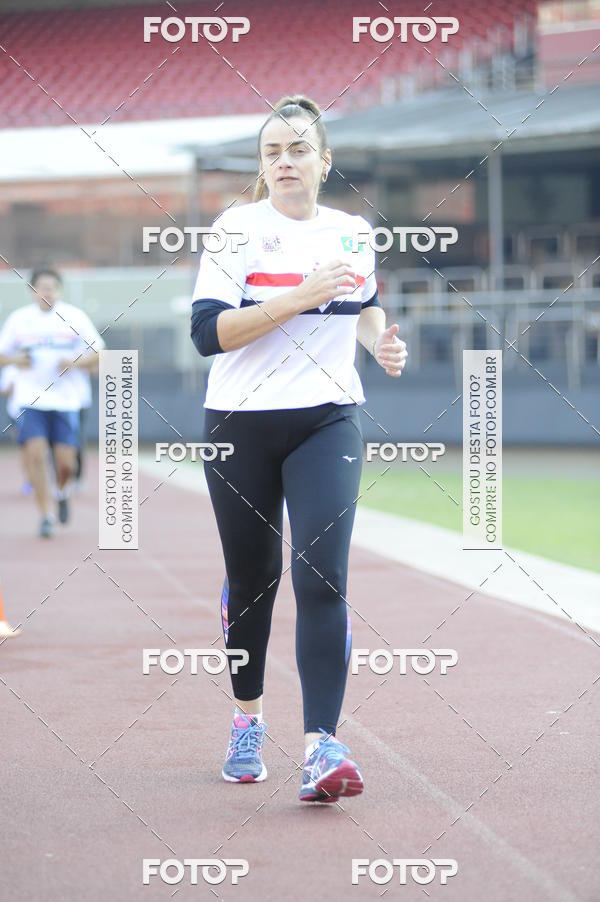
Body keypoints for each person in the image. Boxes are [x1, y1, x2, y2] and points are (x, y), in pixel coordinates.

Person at [191, 95, 407, 803]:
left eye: (298, 150)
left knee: (322, 573)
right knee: (254, 583)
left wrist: (380, 342)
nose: (284, 162)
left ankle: (321, 745)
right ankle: (247, 719)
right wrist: (297, 298)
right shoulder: (235, 230)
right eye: (272, 152)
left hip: (327, 419)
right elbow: (208, 334)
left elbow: (364, 305)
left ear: (325, 161)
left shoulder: (350, 232)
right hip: (240, 425)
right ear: (263, 167)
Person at [0, 267, 104, 538]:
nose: (47, 292)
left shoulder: (74, 317)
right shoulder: (19, 320)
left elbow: (100, 352)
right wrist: (16, 361)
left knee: (65, 459)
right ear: (33, 291)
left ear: (59, 290)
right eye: (41, 287)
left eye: (52, 287)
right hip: (30, 399)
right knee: (34, 453)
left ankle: (62, 492)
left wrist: (74, 363)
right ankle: (46, 515)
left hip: (67, 400)